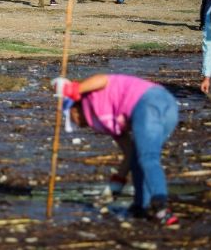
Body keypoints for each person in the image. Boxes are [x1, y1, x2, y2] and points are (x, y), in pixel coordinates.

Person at [54, 74, 179, 226]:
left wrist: (74, 89)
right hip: (166, 106)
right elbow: (129, 153)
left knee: (148, 157)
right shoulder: (105, 121)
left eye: (72, 120)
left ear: (74, 109)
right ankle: (140, 206)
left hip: (148, 102)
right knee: (138, 157)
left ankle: (162, 208)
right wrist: (115, 185)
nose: (78, 125)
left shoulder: (89, 95)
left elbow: (104, 79)